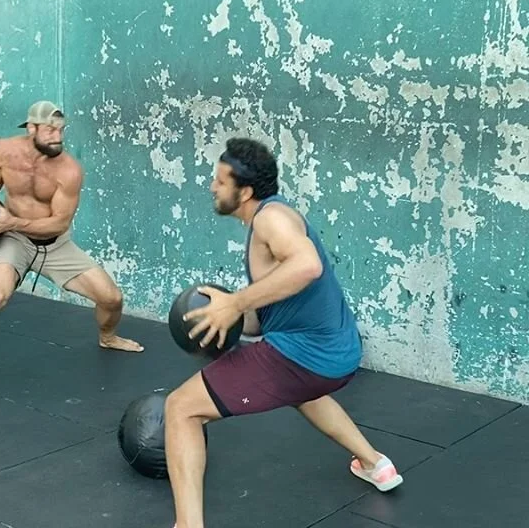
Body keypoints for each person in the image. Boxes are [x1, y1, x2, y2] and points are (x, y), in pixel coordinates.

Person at [164, 137, 403, 528]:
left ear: (245, 192)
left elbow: (307, 266)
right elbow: (270, 313)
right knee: (302, 392)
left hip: (305, 356)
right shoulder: (273, 216)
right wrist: (230, 322)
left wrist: (235, 303)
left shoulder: (270, 219)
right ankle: (375, 464)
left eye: (220, 181)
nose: (211, 187)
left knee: (180, 409)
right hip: (335, 355)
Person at [0, 100, 144, 398]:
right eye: (50, 130)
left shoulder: (69, 171)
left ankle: (107, 337)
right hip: (12, 239)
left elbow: (58, 223)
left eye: (61, 130)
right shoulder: (5, 151)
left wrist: (12, 222)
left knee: (112, 298)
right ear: (31, 128)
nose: (58, 136)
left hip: (54, 245)